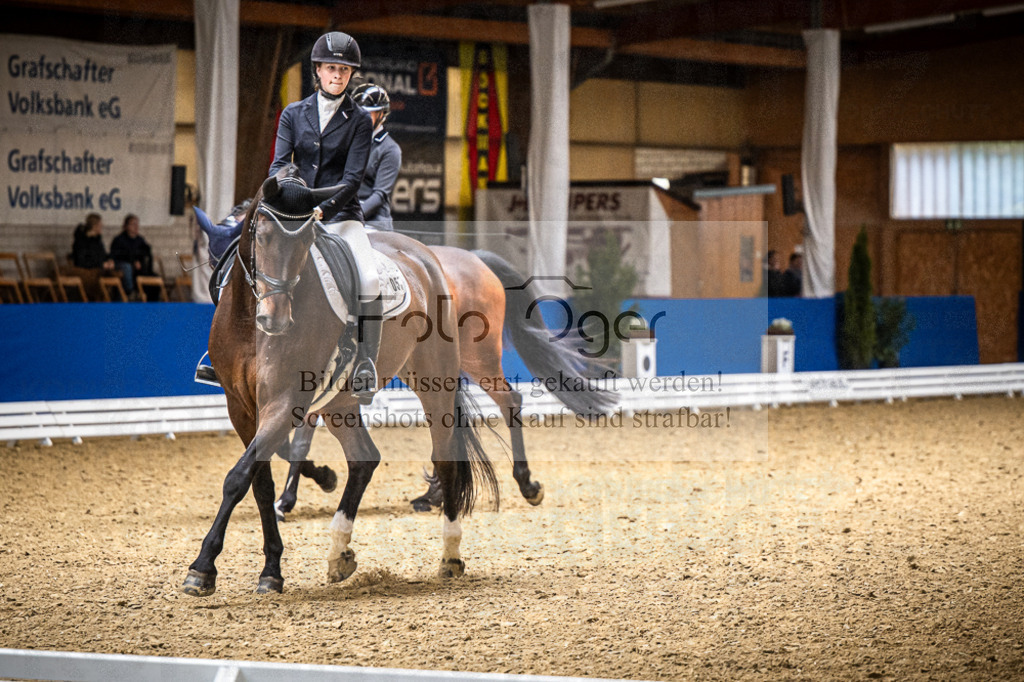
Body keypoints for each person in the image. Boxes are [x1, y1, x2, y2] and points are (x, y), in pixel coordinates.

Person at [268, 31, 380, 403]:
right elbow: (280, 164)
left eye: (345, 70)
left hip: (341, 215)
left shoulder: (360, 120)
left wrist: (321, 209)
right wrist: (290, 196)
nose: (338, 75)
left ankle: (366, 362)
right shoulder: (293, 114)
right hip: (296, 213)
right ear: (318, 70)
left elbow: (352, 180)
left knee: (369, 278)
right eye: (331, 68)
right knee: (256, 257)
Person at [352, 83, 402, 231]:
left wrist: (352, 215)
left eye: (366, 114)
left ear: (381, 114)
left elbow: (379, 195)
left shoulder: (390, 150)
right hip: (346, 216)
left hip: (373, 222)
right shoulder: (349, 142)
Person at [110, 214, 154, 298]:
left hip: (139, 268)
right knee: (127, 268)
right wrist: (133, 261)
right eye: (133, 224)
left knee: (154, 278)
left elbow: (147, 252)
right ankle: (129, 293)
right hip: (124, 266)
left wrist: (140, 262)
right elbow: (117, 256)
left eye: (137, 224)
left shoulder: (140, 240)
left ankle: (153, 305)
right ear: (126, 226)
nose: (136, 226)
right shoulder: (119, 240)